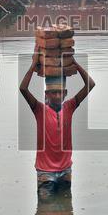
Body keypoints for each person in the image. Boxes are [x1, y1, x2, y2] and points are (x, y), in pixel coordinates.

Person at [19, 52, 95, 199]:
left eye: (60, 93)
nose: (57, 96)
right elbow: (23, 89)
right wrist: (34, 65)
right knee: (46, 210)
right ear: (46, 94)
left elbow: (90, 84)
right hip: (45, 172)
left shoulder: (70, 107)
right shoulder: (39, 110)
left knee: (65, 207)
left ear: (65, 93)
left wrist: (75, 64)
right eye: (53, 93)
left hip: (65, 170)